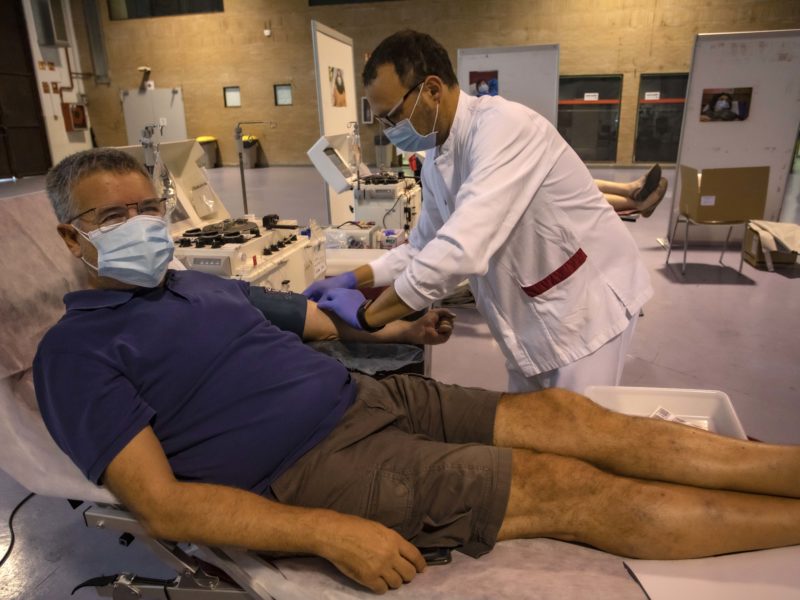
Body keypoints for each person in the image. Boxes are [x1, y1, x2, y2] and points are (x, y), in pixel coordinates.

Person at [33, 148, 800, 596]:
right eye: (112, 218)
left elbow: (318, 320)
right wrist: (326, 532)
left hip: (373, 398)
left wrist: (400, 323)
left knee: (575, 421)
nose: (141, 227)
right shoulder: (74, 355)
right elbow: (163, 506)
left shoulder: (199, 283)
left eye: (149, 209)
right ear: (72, 235)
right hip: (316, 469)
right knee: (570, 489)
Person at [305, 30, 654, 394]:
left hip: (586, 308)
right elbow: (420, 249)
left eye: (392, 116)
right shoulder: (435, 160)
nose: (389, 131)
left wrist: (368, 317)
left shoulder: (504, 127)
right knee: (535, 428)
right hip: (532, 316)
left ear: (432, 90)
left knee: (580, 434)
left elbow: (459, 250)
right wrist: (353, 278)